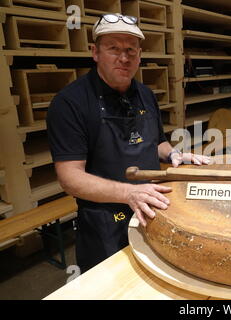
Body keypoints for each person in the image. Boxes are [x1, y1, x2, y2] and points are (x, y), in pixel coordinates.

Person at [47, 13, 209, 273]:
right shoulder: (70, 103)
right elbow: (69, 178)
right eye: (114, 48)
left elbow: (156, 143)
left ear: (140, 55)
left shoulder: (144, 94)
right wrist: (129, 193)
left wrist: (175, 154)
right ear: (95, 52)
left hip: (150, 210)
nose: (124, 58)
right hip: (104, 225)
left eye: (130, 50)